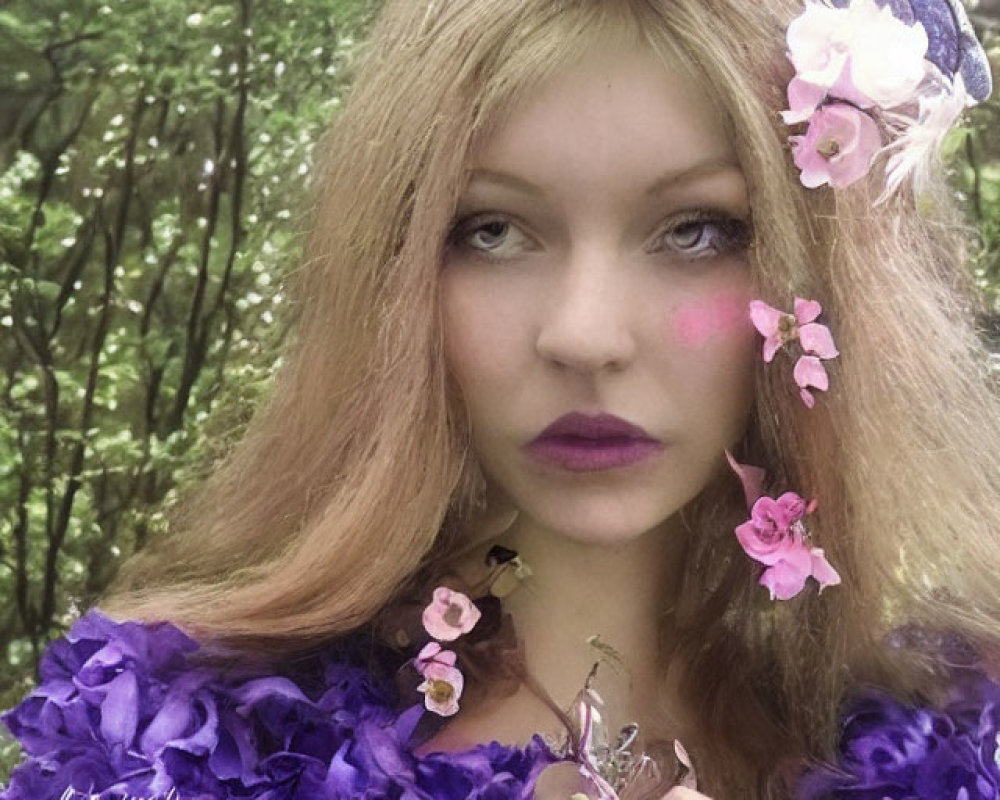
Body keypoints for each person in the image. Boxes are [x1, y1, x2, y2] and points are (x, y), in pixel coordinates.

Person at [2, 0, 998, 798]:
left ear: (823, 284)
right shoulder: (169, 754)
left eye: (697, 229)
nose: (584, 334)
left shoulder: (954, 751)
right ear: (394, 280)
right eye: (492, 231)